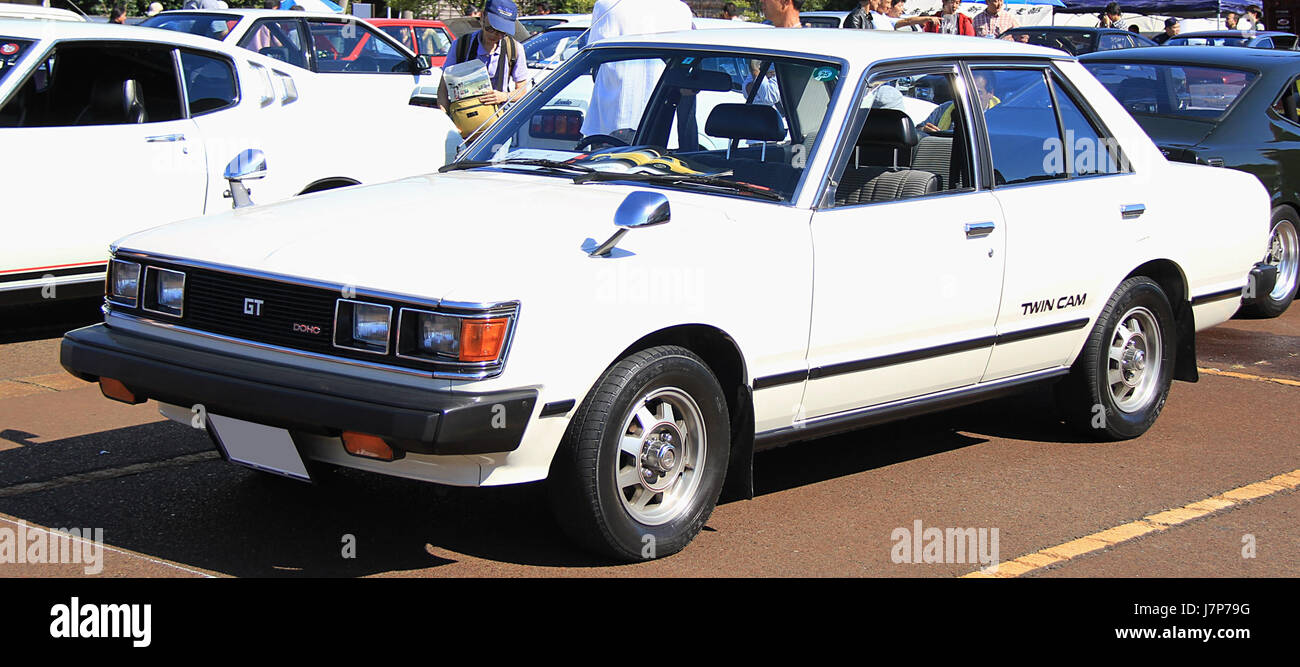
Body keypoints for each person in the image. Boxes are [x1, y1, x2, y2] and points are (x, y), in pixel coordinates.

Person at [581, 0, 694, 137]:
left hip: (611, 119)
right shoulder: (679, 9)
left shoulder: (607, 5)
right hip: (662, 121)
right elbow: (687, 64)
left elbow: (595, 56)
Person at [438, 0, 530, 112]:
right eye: (490, 29)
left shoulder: (515, 49)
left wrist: (505, 96)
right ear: (482, 17)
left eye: (502, 32)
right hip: (464, 118)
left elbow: (522, 89)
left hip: (498, 119)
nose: (495, 35)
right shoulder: (461, 45)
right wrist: (446, 117)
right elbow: (443, 88)